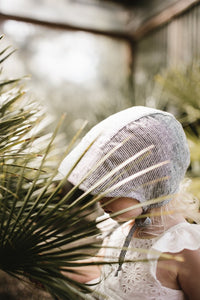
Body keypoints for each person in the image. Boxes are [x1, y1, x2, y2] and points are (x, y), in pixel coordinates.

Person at [59, 106, 200, 300]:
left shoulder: (184, 250)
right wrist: (57, 271)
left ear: (147, 184)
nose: (99, 200)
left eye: (110, 191)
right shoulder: (120, 229)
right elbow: (101, 271)